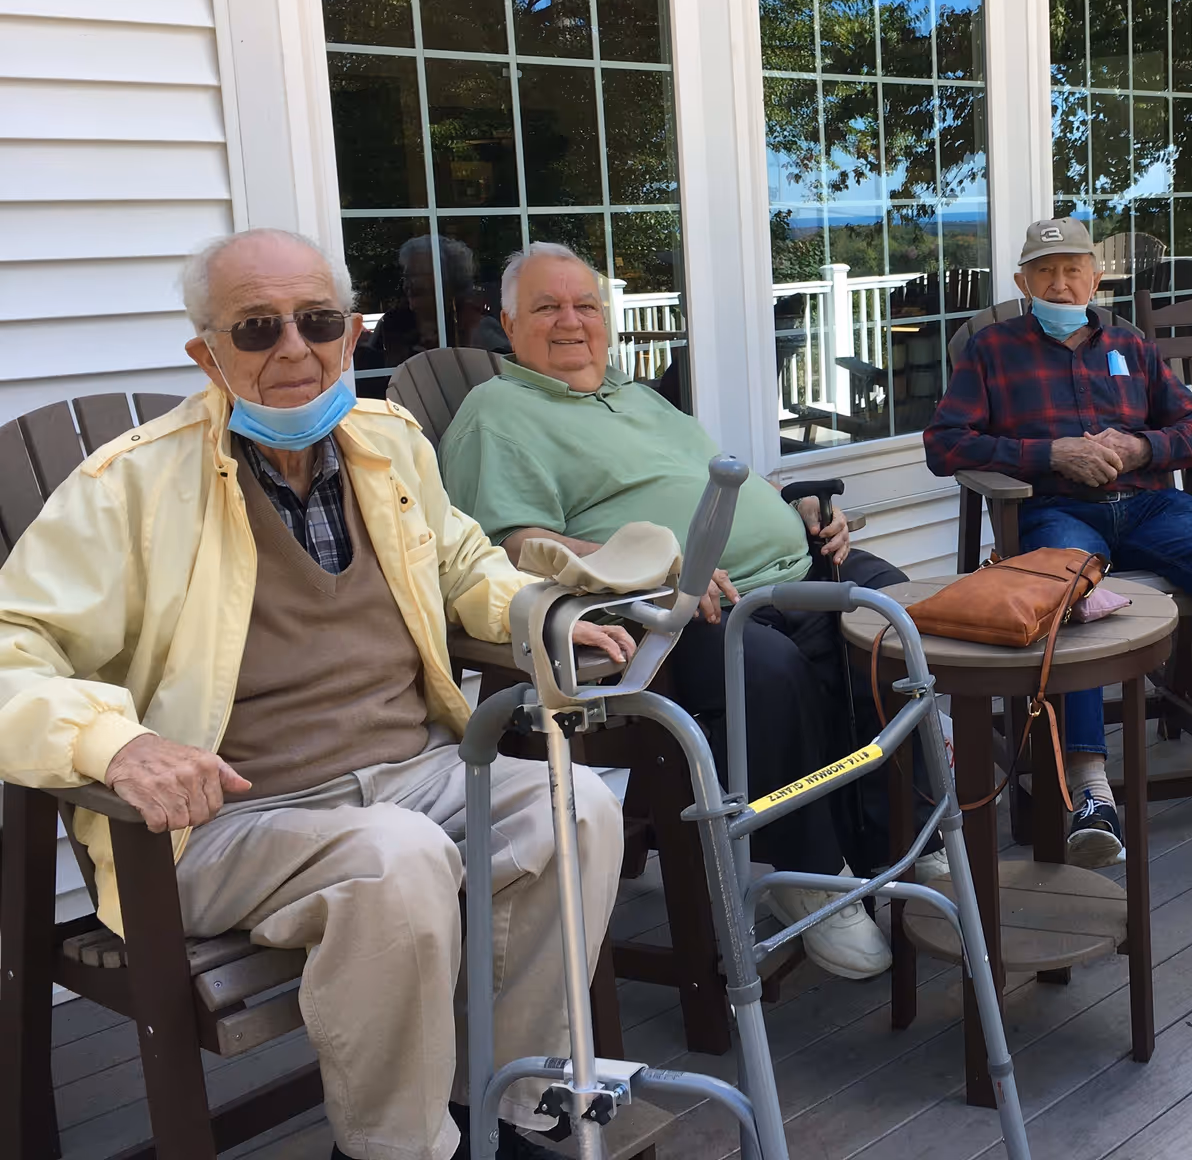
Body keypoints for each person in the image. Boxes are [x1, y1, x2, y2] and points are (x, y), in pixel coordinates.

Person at [0, 229, 637, 1160]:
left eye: (318, 321)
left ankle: (512, 1100)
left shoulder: (388, 444)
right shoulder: (129, 487)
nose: (293, 348)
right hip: (226, 818)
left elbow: (460, 561)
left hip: (410, 773)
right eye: (256, 330)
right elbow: (13, 645)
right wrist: (117, 745)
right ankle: (395, 1146)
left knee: (575, 806)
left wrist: (537, 614)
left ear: (352, 332)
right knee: (398, 860)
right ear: (205, 353)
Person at [439, 242, 933, 983]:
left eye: (586, 306)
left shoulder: (636, 395)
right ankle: (805, 874)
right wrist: (650, 567)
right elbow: (515, 545)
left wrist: (794, 507)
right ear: (508, 326)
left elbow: (709, 485)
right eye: (547, 308)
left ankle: (905, 842)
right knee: (767, 672)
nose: (572, 322)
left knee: (903, 622)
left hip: (794, 567)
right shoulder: (497, 414)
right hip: (666, 612)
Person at [923, 218, 1192, 866]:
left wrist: (1142, 444)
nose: (1060, 281)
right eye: (1044, 270)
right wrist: (1051, 453)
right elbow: (946, 445)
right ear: (1021, 281)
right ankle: (1090, 796)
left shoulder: (1129, 345)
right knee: (1068, 586)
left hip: (1151, 506)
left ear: (1095, 278)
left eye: (1072, 268)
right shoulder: (993, 350)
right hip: (1057, 511)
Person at [358, 233, 511, 372]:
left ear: (450, 281)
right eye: (407, 275)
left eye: (419, 275)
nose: (410, 284)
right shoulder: (391, 323)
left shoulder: (478, 326)